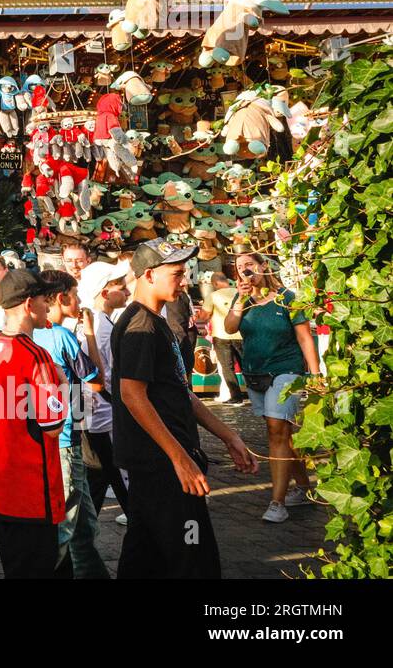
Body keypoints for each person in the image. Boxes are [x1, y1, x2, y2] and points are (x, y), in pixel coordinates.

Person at [113, 240, 259, 579]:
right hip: (164, 467)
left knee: (143, 557)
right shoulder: (140, 327)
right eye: (177, 274)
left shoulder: (155, 320)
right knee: (194, 558)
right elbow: (132, 395)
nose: (185, 282)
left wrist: (229, 435)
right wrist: (180, 459)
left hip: (161, 464)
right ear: (148, 275)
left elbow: (180, 392)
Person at [0, 268, 67, 578]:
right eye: (45, 299)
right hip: (32, 490)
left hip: (0, 484)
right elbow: (53, 426)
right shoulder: (36, 356)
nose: (49, 305)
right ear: (29, 304)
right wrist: (64, 384)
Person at [222, 251, 320, 522]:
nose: (244, 270)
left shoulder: (288, 298)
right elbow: (229, 327)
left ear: (264, 266)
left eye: (249, 265)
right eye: (239, 267)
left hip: (287, 371)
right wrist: (240, 299)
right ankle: (302, 488)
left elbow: (304, 338)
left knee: (276, 430)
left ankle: (277, 502)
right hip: (256, 374)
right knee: (284, 435)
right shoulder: (241, 298)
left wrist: (314, 374)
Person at [33, 270, 108, 579]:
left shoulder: (31, 335)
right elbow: (97, 383)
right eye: (75, 294)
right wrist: (89, 334)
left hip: (53, 438)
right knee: (66, 524)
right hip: (66, 439)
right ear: (61, 297)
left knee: (84, 524)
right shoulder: (61, 336)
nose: (79, 301)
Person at [77, 261, 131, 518]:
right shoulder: (99, 327)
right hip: (103, 416)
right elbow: (101, 377)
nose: (128, 292)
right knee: (121, 482)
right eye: (121, 287)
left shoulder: (99, 323)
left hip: (97, 414)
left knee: (96, 482)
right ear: (105, 292)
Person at [205, 272, 247, 404]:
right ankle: (255, 392)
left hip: (221, 335)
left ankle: (236, 397)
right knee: (246, 365)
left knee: (227, 368)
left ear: (215, 284)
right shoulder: (239, 293)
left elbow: (204, 316)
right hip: (240, 334)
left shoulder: (212, 296)